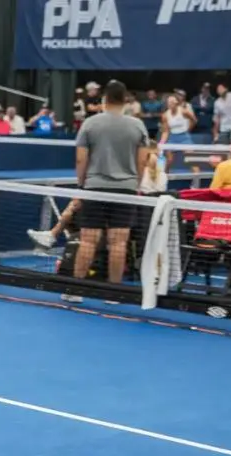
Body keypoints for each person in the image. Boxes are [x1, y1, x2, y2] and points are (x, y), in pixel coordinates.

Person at [68, 79, 151, 302]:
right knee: (118, 243)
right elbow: (143, 160)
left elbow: (80, 158)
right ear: (125, 100)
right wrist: (136, 184)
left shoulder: (90, 124)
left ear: (104, 99)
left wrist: (81, 185)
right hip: (125, 190)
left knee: (87, 241)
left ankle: (75, 291)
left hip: (94, 188)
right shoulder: (137, 126)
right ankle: (113, 293)